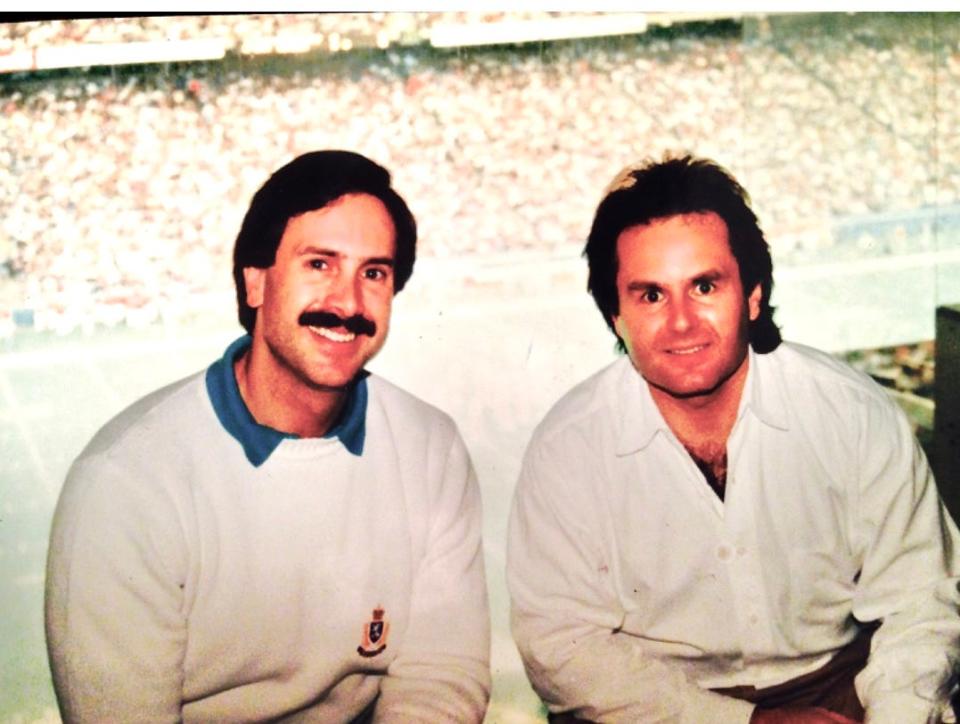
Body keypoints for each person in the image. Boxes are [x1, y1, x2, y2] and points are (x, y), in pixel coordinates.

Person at [506, 154, 960, 724]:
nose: (682, 323)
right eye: (650, 295)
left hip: (844, 688)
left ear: (750, 294)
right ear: (615, 315)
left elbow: (920, 602)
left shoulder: (852, 413)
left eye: (704, 285)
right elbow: (562, 648)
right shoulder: (566, 449)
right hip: (650, 705)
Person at [45, 150, 491, 722]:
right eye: (319, 264)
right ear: (255, 282)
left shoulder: (432, 447)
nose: (348, 302)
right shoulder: (127, 483)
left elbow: (440, 679)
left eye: (373, 273)